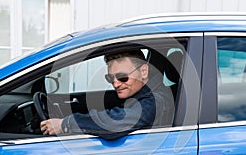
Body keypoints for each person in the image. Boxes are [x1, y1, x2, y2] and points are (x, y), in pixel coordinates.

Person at [40, 49, 174, 140]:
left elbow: (114, 122)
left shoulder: (154, 101)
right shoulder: (145, 93)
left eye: (122, 77)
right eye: (110, 78)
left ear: (144, 71)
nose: (115, 84)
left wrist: (65, 124)